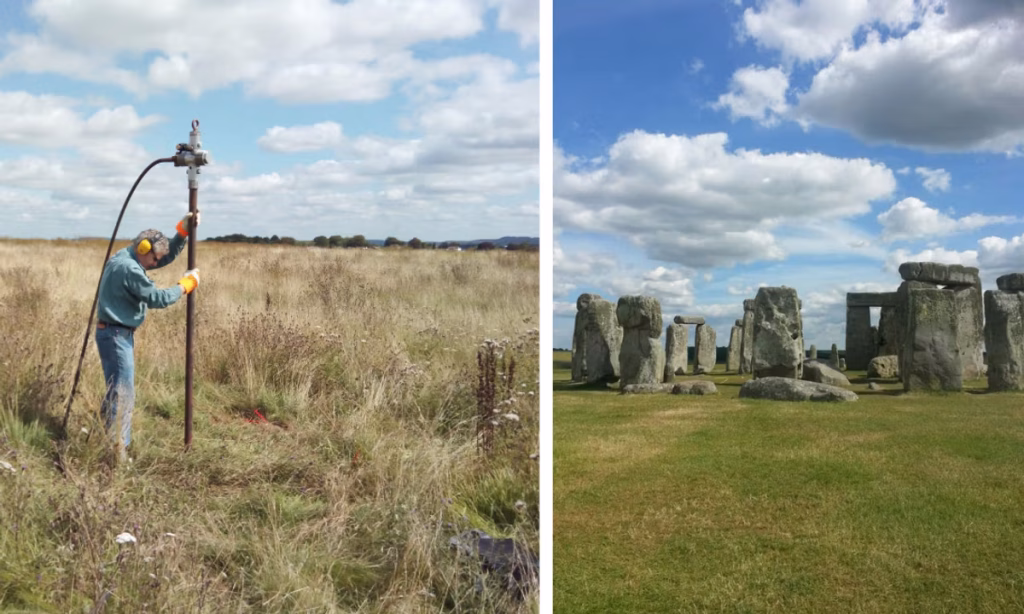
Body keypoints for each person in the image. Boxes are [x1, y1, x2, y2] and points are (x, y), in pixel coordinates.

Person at [95, 212, 202, 462]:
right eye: (153, 259)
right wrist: (185, 285)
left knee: (116, 391)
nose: (155, 264)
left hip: (114, 334)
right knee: (122, 394)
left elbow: (163, 259)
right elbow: (157, 298)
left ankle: (107, 441)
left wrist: (182, 233)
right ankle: (116, 455)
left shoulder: (128, 255)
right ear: (143, 248)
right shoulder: (130, 268)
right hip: (116, 335)